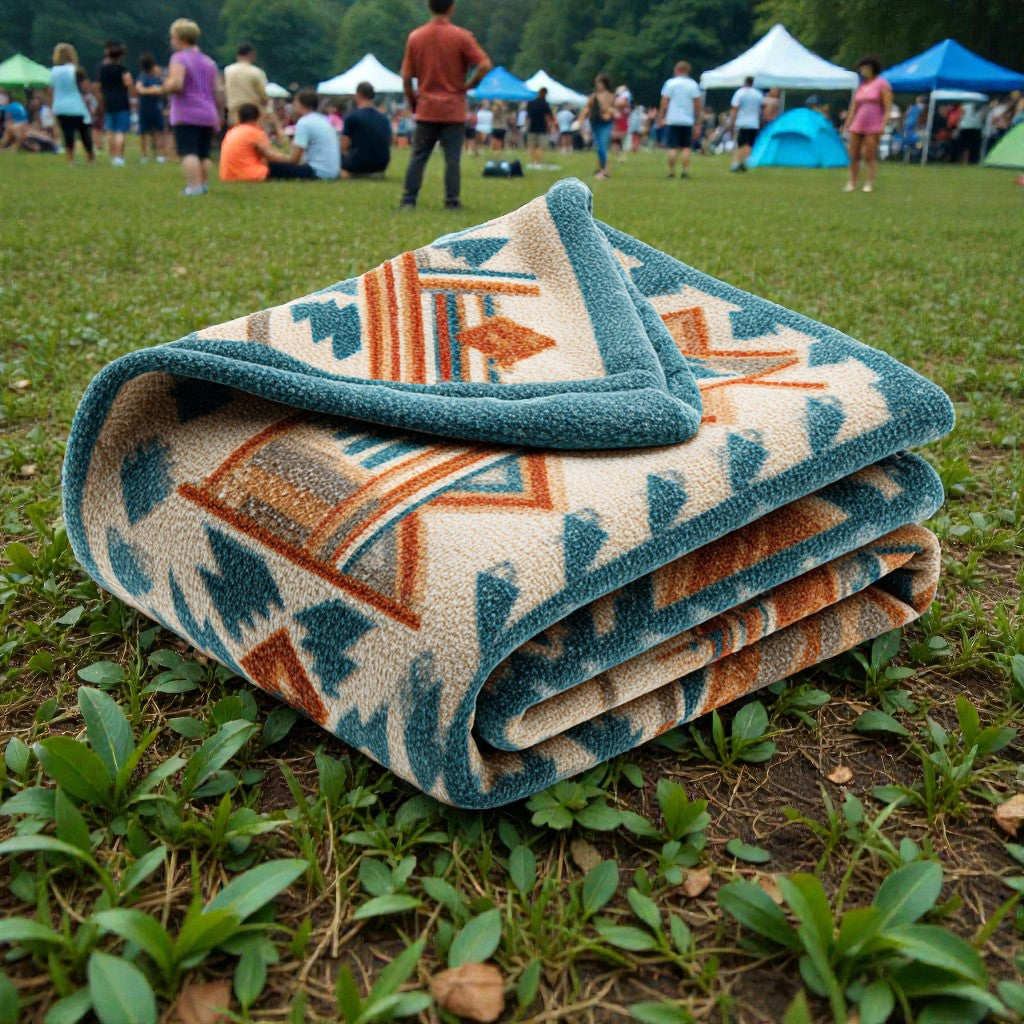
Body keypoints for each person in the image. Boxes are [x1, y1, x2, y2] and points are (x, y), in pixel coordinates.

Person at [400, 0, 492, 211]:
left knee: (418, 156)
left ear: (429, 6)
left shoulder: (415, 37)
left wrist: (414, 102)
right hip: (453, 109)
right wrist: (469, 85)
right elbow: (485, 64)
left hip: (426, 108)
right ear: (452, 7)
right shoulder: (461, 36)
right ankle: (452, 200)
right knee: (452, 159)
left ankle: (408, 199)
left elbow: (406, 77)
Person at [162, 18, 221, 196]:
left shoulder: (179, 58)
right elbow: (218, 90)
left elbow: (177, 84)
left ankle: (193, 187)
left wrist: (165, 85)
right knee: (203, 154)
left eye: (172, 36)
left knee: (188, 152)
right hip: (208, 112)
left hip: (187, 112)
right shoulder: (209, 61)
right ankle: (203, 185)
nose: (171, 40)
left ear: (180, 38)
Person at [219, 102, 309, 180]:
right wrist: (290, 159)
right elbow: (270, 155)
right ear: (258, 117)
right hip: (250, 173)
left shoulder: (232, 132)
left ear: (239, 117)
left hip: (228, 175)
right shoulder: (254, 132)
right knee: (303, 170)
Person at [842, 54, 891, 192]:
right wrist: (847, 123)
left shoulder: (882, 84)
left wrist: (883, 124)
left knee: (869, 154)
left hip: (874, 124)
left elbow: (887, 108)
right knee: (853, 154)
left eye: (864, 68)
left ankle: (869, 182)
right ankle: (852, 182)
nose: (862, 70)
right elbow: (854, 107)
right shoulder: (861, 86)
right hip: (858, 123)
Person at [50, 43, 94, 165]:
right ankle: (90, 158)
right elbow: (85, 86)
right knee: (84, 132)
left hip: (60, 107)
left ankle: (70, 159)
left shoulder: (53, 71)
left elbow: (51, 90)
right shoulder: (77, 70)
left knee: (67, 133)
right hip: (76, 106)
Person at [657, 60, 702, 179]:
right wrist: (698, 120)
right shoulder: (693, 84)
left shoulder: (670, 83)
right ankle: (685, 171)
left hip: (672, 119)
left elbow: (664, 102)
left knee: (672, 147)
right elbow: (697, 104)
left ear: (677, 70)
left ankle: (671, 172)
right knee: (685, 147)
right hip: (687, 120)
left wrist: (661, 117)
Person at [341, 81, 391, 177]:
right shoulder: (383, 118)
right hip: (381, 165)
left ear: (358, 95)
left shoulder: (352, 116)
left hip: (359, 164)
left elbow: (343, 146)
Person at [96, 40, 132, 166]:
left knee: (110, 130)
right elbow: (128, 83)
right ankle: (120, 156)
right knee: (120, 131)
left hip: (108, 102)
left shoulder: (102, 70)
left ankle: (113, 157)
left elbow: (98, 86)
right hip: (122, 102)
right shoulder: (122, 69)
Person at [289, 89, 339, 179]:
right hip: (332, 171)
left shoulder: (304, 122)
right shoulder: (324, 120)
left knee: (273, 166)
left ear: (302, 104)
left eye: (295, 102)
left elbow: (294, 158)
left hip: (316, 171)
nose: (294, 105)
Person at [224, 43, 268, 128]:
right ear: (252, 55)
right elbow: (264, 96)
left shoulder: (227, 71)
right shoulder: (257, 72)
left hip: (233, 114)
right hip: (253, 114)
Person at [727, 76, 764, 172]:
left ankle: (736, 163)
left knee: (740, 144)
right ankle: (743, 161)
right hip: (754, 123)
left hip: (741, 122)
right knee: (749, 144)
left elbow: (735, 108)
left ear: (744, 82)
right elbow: (762, 108)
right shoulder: (758, 94)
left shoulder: (740, 93)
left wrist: (731, 121)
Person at [583, 73, 616, 179]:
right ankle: (601, 168)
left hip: (606, 123)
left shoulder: (611, 95)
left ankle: (605, 170)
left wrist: (607, 108)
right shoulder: (594, 96)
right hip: (595, 122)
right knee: (598, 146)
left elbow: (611, 108)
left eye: (599, 83)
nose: (598, 85)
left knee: (602, 146)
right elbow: (587, 107)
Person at [136, 54, 167, 163]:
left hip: (148, 108)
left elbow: (162, 89)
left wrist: (148, 90)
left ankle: (146, 155)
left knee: (154, 132)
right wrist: (153, 90)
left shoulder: (145, 77)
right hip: (153, 107)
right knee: (153, 132)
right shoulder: (145, 77)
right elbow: (140, 89)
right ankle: (158, 155)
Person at [525, 86, 554, 167]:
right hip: (542, 128)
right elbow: (548, 116)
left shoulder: (531, 103)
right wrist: (550, 126)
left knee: (532, 146)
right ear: (544, 93)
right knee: (541, 146)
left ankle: (534, 161)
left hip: (532, 127)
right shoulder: (545, 104)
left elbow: (528, 116)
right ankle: (538, 161)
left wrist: (526, 126)